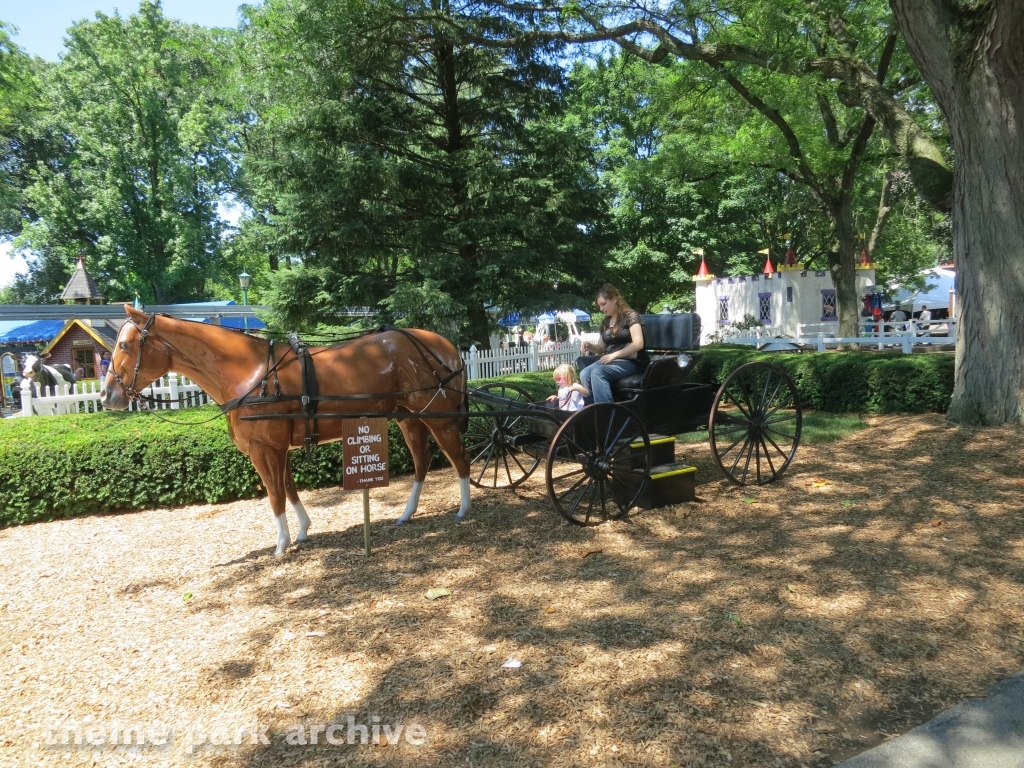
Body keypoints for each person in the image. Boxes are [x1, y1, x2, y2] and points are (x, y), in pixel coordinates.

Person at [579, 283, 648, 403]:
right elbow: (600, 348)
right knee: (584, 373)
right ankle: (590, 412)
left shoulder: (630, 316)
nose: (601, 308)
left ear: (614, 299)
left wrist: (613, 355)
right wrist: (589, 345)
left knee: (598, 373)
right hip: (612, 361)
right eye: (599, 305)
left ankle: (606, 414)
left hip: (632, 361)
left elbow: (638, 344)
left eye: (603, 304)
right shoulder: (606, 321)